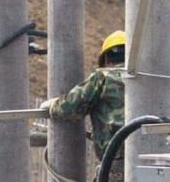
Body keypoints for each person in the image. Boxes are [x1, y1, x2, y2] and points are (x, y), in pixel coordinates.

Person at [42, 30, 127, 177]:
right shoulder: (147, 80)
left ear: (106, 59)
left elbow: (69, 109)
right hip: (152, 161)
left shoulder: (103, 77)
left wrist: (53, 105)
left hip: (116, 164)